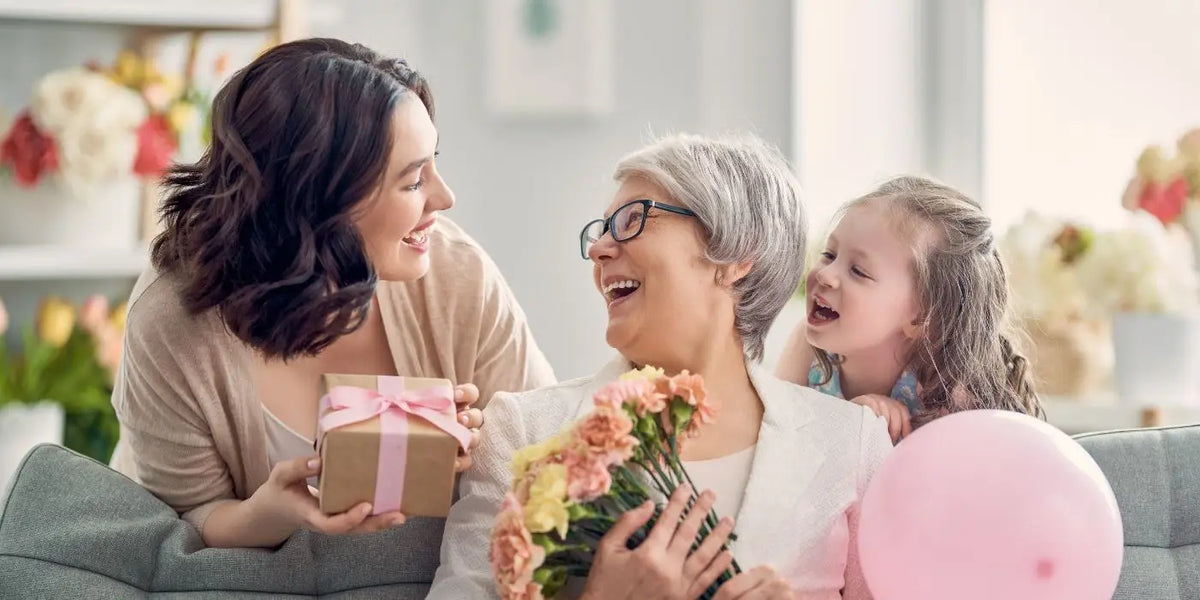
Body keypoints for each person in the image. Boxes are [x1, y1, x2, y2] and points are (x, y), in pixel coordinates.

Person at [109, 38, 555, 549]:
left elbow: (550, 458)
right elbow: (186, 520)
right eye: (413, 181)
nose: (445, 197)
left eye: (433, 163)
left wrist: (489, 453)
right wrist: (272, 513)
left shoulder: (457, 275)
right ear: (320, 201)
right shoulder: (172, 319)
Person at [430, 133, 892, 599]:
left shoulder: (852, 445)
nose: (598, 249)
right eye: (601, 230)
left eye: (633, 220)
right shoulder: (521, 430)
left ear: (735, 256)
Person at [776, 176, 1043, 443]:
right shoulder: (807, 348)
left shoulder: (946, 394)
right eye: (829, 255)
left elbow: (962, 469)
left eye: (858, 271)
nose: (825, 275)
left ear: (921, 318)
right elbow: (775, 442)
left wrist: (875, 442)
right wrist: (847, 426)